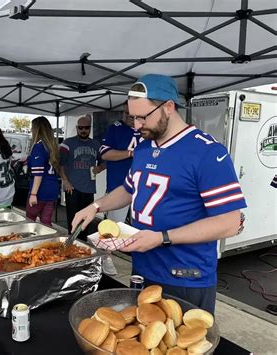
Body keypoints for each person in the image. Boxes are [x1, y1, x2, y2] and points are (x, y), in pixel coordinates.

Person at [72, 74, 246, 314]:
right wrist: (95, 207)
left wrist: (162, 237)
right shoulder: (143, 148)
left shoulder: (207, 152)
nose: (136, 125)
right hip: (143, 269)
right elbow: (128, 189)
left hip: (184, 276)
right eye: (133, 118)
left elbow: (230, 223)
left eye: (143, 117)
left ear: (168, 107)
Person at [59, 115, 104, 240]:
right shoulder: (68, 143)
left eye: (86, 128)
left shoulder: (96, 144)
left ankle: (82, 245)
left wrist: (99, 168)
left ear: (90, 128)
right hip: (72, 188)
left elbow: (105, 162)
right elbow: (60, 164)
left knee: (86, 222)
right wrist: (65, 181)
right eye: (81, 128)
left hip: (89, 188)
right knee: (73, 222)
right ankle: (72, 244)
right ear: (77, 128)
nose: (83, 130)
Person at [100, 102, 142, 223]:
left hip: (141, 189)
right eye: (126, 113)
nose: (129, 116)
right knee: (115, 228)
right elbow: (105, 154)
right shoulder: (115, 128)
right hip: (118, 187)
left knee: (138, 229)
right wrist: (130, 153)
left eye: (132, 114)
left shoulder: (147, 130)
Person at [26, 116, 60, 226]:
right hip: (52, 189)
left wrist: (33, 194)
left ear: (37, 129)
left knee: (29, 222)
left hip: (40, 191)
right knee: (46, 222)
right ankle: (48, 242)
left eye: (32, 128)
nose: (31, 130)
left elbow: (38, 174)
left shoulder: (39, 146)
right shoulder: (53, 146)